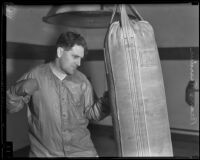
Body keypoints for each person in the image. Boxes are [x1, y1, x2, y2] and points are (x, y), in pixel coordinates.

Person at [6, 31, 110, 157]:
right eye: (75, 57)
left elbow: (92, 113)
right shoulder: (35, 75)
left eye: (81, 58)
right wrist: (16, 92)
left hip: (81, 150)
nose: (79, 63)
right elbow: (9, 108)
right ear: (60, 52)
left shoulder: (83, 80)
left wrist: (110, 100)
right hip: (44, 153)